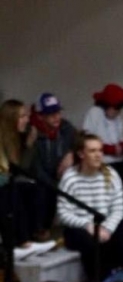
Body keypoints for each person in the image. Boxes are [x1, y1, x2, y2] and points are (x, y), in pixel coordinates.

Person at [57, 131, 123, 280]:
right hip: (80, 228)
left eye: (100, 150)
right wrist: (87, 225)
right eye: (92, 151)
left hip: (105, 226)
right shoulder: (70, 178)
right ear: (81, 154)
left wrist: (107, 228)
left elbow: (118, 209)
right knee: (91, 243)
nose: (98, 155)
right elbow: (63, 213)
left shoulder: (111, 175)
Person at [0, 99, 54, 258]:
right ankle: (21, 242)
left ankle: (34, 235)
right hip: (3, 185)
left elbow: (19, 169)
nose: (27, 120)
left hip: (7, 182)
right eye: (22, 116)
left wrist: (29, 145)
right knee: (12, 192)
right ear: (11, 119)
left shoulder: (16, 139)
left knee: (37, 189)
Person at [81, 83, 123, 202]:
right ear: (107, 105)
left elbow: (118, 142)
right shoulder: (94, 113)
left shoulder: (118, 120)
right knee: (120, 176)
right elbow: (87, 141)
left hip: (116, 162)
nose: (118, 112)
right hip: (100, 163)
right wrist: (112, 150)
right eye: (116, 108)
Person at [29, 93, 77, 235]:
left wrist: (71, 153)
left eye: (58, 112)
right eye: (51, 114)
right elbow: (35, 168)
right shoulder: (33, 134)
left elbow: (80, 140)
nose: (56, 117)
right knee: (43, 191)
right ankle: (41, 231)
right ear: (40, 116)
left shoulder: (65, 128)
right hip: (41, 180)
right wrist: (57, 187)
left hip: (59, 176)